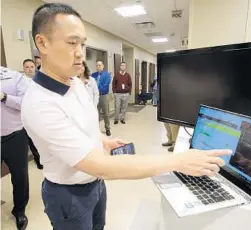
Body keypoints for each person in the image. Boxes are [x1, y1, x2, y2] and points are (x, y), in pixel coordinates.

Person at [21, 3, 231, 230]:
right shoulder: (40, 103)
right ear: (42, 43)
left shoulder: (74, 82)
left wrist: (102, 139)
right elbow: (100, 166)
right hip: (69, 195)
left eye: (82, 43)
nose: (80, 52)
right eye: (72, 43)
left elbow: (83, 123)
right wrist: (179, 161)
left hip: (95, 185)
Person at [1, 66, 29, 230]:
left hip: (14, 136)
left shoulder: (14, 77)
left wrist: (5, 97)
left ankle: (19, 211)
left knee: (20, 177)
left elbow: (27, 103)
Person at [22, 59, 43, 169]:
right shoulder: (21, 82)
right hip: (28, 115)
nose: (30, 69)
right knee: (32, 139)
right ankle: (38, 160)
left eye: (31, 66)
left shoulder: (39, 81)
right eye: (27, 67)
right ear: (23, 69)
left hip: (40, 113)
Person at [92, 61, 111, 136]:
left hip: (104, 96)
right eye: (97, 65)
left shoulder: (107, 75)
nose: (98, 67)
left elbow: (106, 85)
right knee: (96, 113)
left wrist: (97, 89)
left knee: (106, 113)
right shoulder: (93, 75)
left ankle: (108, 128)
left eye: (99, 65)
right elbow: (91, 84)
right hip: (95, 96)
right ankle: (96, 129)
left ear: (103, 66)